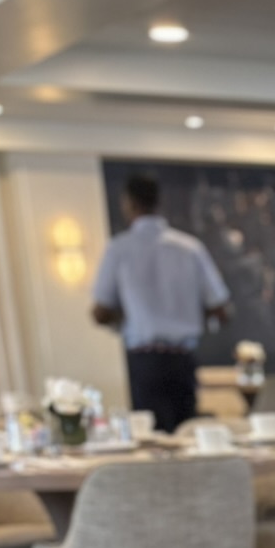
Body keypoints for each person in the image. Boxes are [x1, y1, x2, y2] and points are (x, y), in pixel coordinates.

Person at [91, 174, 231, 436]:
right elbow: (220, 308)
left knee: (152, 438)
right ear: (158, 202)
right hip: (183, 359)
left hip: (144, 360)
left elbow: (100, 312)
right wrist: (187, 313)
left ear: (129, 203)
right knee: (186, 435)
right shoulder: (190, 248)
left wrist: (128, 315)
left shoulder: (119, 249)